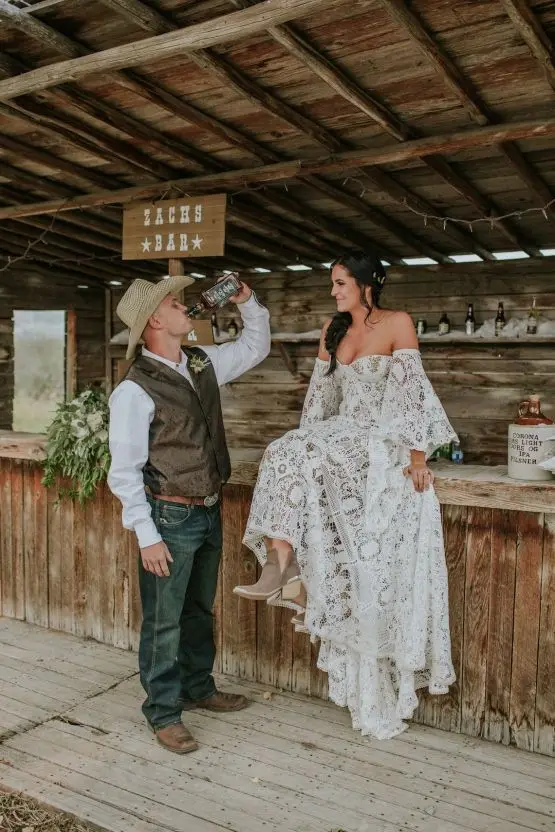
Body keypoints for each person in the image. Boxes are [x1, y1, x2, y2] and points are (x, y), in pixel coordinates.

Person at [234, 250, 457, 740]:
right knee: (283, 448)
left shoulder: (398, 323)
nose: (334, 291)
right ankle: (281, 561)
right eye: (332, 283)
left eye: (340, 283)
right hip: (340, 437)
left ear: (366, 284)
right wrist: (307, 454)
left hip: (379, 442)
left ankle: (284, 565)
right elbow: (319, 404)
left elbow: (412, 395)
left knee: (292, 449)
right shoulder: (332, 331)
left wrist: (418, 458)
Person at [108, 273, 271, 753]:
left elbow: (254, 347)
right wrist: (146, 534)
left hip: (208, 509)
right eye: (176, 303)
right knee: (164, 620)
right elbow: (125, 472)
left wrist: (248, 301)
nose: (187, 307)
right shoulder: (134, 390)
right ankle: (162, 711)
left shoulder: (200, 363)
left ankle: (198, 687)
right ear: (156, 319)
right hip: (168, 518)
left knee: (199, 610)